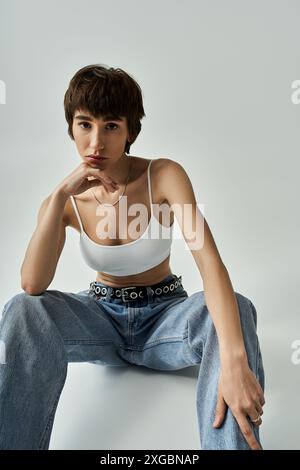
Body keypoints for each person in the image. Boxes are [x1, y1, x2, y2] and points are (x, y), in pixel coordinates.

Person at [0, 64, 265, 450]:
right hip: (100, 321)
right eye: (84, 124)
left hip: (165, 320)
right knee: (22, 308)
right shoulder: (66, 202)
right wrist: (58, 198)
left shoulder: (165, 175)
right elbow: (33, 284)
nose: (96, 142)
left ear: (130, 132)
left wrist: (235, 359)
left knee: (238, 308)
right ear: (71, 128)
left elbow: (210, 263)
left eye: (111, 126)